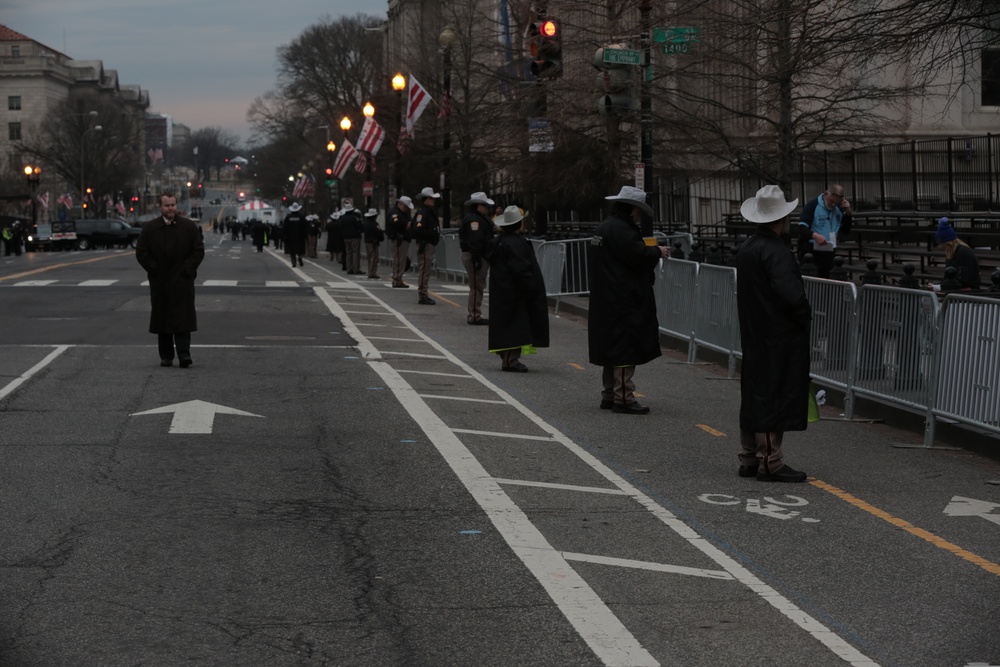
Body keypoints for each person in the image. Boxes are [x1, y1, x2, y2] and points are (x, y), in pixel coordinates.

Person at [735, 185, 812, 483]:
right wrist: (804, 315)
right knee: (772, 393)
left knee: (754, 390)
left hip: (755, 329)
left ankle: (749, 455)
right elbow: (791, 295)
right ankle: (770, 459)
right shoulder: (776, 250)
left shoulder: (749, 247)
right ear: (782, 217)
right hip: (777, 332)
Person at [587, 185, 669, 414]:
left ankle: (609, 394)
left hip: (605, 296)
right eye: (639, 211)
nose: (640, 215)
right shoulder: (622, 230)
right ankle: (624, 396)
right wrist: (657, 252)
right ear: (632, 209)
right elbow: (637, 256)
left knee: (610, 348)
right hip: (622, 298)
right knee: (625, 348)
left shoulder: (604, 227)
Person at [135, 191, 206, 368]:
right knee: (162, 318)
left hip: (182, 281)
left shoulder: (188, 227)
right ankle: (166, 355)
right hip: (160, 281)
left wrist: (187, 269)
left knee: (184, 319)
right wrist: (154, 269)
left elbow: (198, 251)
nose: (170, 208)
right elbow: (142, 252)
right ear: (160, 207)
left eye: (173, 205)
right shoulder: (150, 229)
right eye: (167, 205)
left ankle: (184, 355)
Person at [486, 206, 549, 372]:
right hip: (515, 291)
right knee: (515, 325)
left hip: (504, 290)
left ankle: (508, 357)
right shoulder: (514, 243)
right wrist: (531, 287)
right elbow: (521, 268)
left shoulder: (500, 241)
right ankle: (510, 359)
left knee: (506, 324)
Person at [797, 183, 852, 279]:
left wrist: (848, 213)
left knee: (827, 280)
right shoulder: (813, 205)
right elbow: (802, 228)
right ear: (826, 194)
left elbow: (846, 230)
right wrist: (814, 235)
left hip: (829, 250)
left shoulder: (839, 208)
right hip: (811, 250)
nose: (833, 204)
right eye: (831, 201)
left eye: (836, 202)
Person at [460, 191, 496, 325]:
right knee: (476, 286)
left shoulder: (476, 218)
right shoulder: (474, 220)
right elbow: (475, 241)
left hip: (478, 255)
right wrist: (476, 258)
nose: (487, 208)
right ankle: (474, 315)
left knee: (478, 285)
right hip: (476, 256)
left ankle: (475, 313)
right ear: (478, 206)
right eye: (485, 205)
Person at [930, 217, 981, 291]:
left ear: (947, 243)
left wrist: (940, 287)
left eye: (941, 244)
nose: (940, 247)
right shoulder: (953, 253)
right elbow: (949, 278)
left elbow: (964, 281)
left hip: (967, 295)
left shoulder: (963, 253)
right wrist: (938, 285)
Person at [411, 186, 442, 304]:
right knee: (424, 270)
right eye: (431, 198)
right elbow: (418, 229)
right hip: (425, 244)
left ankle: (423, 293)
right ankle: (423, 294)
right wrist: (432, 233)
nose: (433, 201)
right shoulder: (423, 213)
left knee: (426, 270)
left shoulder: (427, 212)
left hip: (429, 243)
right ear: (426, 199)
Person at [387, 196, 414, 288]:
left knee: (400, 260)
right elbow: (394, 222)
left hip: (402, 239)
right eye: (405, 206)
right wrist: (406, 224)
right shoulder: (395, 213)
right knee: (399, 260)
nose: (406, 209)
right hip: (398, 239)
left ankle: (398, 279)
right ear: (400, 204)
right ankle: (397, 279)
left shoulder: (401, 213)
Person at [282, 202, 308, 268]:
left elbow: (284, 227)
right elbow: (305, 227)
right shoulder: (301, 217)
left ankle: (294, 263)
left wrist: (285, 236)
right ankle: (300, 257)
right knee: (300, 249)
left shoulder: (288, 217)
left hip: (290, 237)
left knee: (292, 251)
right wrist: (305, 235)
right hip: (300, 236)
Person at [340, 206, 364, 274]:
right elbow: (360, 226)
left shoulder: (343, 218)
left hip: (346, 237)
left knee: (348, 253)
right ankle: (356, 268)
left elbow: (340, 227)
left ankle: (349, 268)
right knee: (355, 253)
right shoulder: (354, 218)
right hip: (354, 237)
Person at [362, 208, 385, 279]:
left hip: (367, 242)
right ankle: (372, 273)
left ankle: (370, 272)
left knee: (369, 258)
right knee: (374, 258)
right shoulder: (375, 224)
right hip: (373, 242)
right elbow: (379, 233)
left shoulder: (365, 224)